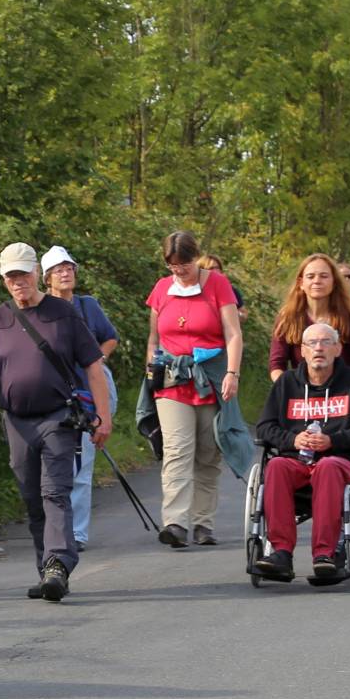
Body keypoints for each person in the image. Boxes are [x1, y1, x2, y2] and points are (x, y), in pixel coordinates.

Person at [0, 243, 111, 601]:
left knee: (54, 491)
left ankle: (58, 563)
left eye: (23, 273)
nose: (18, 281)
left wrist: (103, 417)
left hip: (58, 417)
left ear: (37, 273)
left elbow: (93, 366)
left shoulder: (63, 314)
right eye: (11, 275)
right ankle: (47, 571)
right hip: (17, 422)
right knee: (31, 497)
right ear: (3, 279)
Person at [250, 322, 350, 580]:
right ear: (302, 351)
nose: (319, 348)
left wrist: (333, 440)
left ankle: (326, 554)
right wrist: (292, 439)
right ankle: (281, 553)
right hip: (296, 461)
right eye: (312, 343)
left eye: (325, 342)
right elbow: (265, 427)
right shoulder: (287, 383)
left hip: (339, 461)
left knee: (327, 466)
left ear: (337, 349)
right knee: (275, 466)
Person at [143, 229, 245, 549]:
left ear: (195, 258)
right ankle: (175, 522)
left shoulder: (217, 284)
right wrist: (151, 368)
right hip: (172, 381)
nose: (179, 271)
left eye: (184, 264)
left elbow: (233, 334)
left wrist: (232, 373)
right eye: (173, 266)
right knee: (176, 450)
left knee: (207, 451)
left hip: (210, 377)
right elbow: (154, 339)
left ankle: (204, 523)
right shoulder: (161, 289)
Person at [41, 245, 119, 551]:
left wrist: (96, 361)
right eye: (58, 269)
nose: (65, 273)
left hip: (91, 391)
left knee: (83, 462)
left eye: (69, 267)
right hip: (56, 394)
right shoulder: (41, 309)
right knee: (56, 463)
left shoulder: (88, 306)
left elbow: (109, 336)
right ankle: (58, 528)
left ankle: (78, 533)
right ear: (46, 277)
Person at [268, 252, 350, 386]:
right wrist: (288, 391)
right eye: (310, 276)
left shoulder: (349, 316)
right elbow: (276, 365)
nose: (317, 281)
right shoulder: (287, 318)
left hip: (344, 395)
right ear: (301, 283)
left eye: (324, 276)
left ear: (334, 282)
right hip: (302, 397)